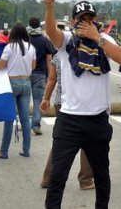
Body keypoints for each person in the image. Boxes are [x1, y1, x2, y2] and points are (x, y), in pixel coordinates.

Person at [42, 0, 121, 209]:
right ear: (73, 21)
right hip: (69, 120)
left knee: (102, 176)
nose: (86, 24)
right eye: (81, 20)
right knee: (58, 177)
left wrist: (97, 38)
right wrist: (50, 7)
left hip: (97, 120)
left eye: (90, 20)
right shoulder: (67, 40)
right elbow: (51, 32)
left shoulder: (104, 40)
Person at [39, 53, 95, 190]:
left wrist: (46, 98)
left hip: (61, 103)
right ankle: (86, 180)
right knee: (89, 142)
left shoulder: (59, 55)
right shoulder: (89, 52)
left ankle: (48, 178)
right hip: (82, 104)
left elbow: (52, 79)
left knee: (61, 141)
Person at [0, 24, 36, 159]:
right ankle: (26, 150)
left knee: (9, 117)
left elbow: (1, 65)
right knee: (25, 119)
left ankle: (3, 151)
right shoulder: (31, 47)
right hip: (26, 83)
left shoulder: (9, 47)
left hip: (11, 83)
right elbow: (33, 66)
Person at [28, 17, 57, 136]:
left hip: (25, 74)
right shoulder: (44, 41)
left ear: (29, 25)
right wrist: (50, 75)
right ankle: (35, 124)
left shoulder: (25, 40)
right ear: (39, 26)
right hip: (40, 74)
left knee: (23, 100)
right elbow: (49, 58)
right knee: (38, 100)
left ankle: (23, 123)